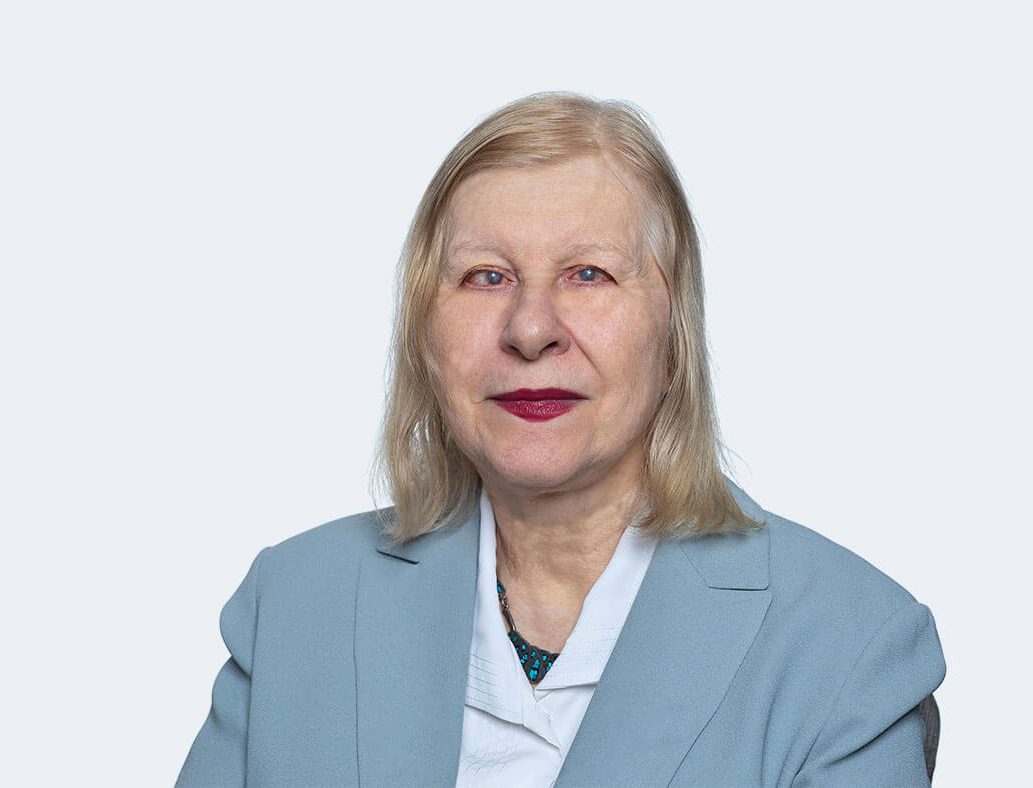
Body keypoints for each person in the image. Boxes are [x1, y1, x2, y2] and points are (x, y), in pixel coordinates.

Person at [175, 92, 945, 787]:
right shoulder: (296, 603)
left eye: (589, 274)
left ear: (673, 339)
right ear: (425, 339)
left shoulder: (847, 647)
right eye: (486, 276)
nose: (531, 329)